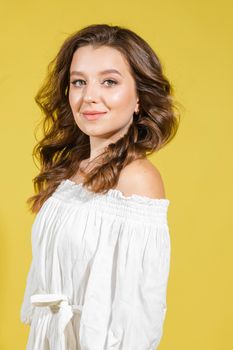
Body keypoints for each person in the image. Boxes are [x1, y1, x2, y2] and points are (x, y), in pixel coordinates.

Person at [20, 23, 179, 350]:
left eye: (109, 81)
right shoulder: (69, 173)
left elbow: (137, 312)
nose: (90, 96)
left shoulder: (137, 179)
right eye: (79, 81)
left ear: (139, 98)